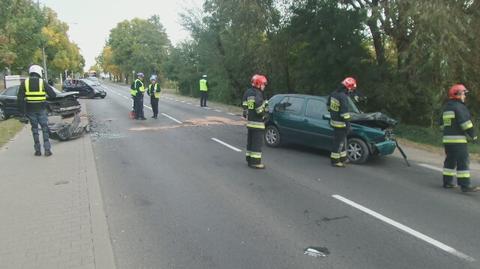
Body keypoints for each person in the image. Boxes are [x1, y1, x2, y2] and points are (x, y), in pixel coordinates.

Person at [440, 84, 480, 192]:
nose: (464, 96)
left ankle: (447, 182)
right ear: (458, 95)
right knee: (463, 161)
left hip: (447, 141)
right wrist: (474, 136)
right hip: (458, 141)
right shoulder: (460, 107)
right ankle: (465, 185)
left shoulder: (446, 107)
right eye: (463, 93)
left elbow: (441, 125)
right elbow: (466, 124)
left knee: (450, 161)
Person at [17, 64, 57, 156]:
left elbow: (20, 100)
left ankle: (37, 151)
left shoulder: (24, 83)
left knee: (34, 129)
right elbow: (53, 95)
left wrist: (22, 114)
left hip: (30, 110)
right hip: (42, 109)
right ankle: (47, 150)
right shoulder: (42, 82)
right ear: (39, 72)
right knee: (44, 129)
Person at [327, 77, 356, 167]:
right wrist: (348, 124)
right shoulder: (343, 97)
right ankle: (335, 161)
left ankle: (343, 158)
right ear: (348, 88)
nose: (352, 91)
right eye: (352, 89)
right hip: (341, 124)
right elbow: (344, 114)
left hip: (334, 122)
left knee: (342, 141)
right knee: (338, 143)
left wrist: (334, 113)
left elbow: (328, 107)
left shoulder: (333, 94)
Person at [242, 74, 268, 169]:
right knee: (257, 144)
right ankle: (255, 162)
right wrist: (264, 115)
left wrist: (246, 113)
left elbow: (245, 105)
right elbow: (258, 107)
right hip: (258, 123)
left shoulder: (248, 92)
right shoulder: (258, 93)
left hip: (250, 122)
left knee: (250, 142)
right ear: (258, 84)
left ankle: (249, 159)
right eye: (263, 84)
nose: (264, 86)